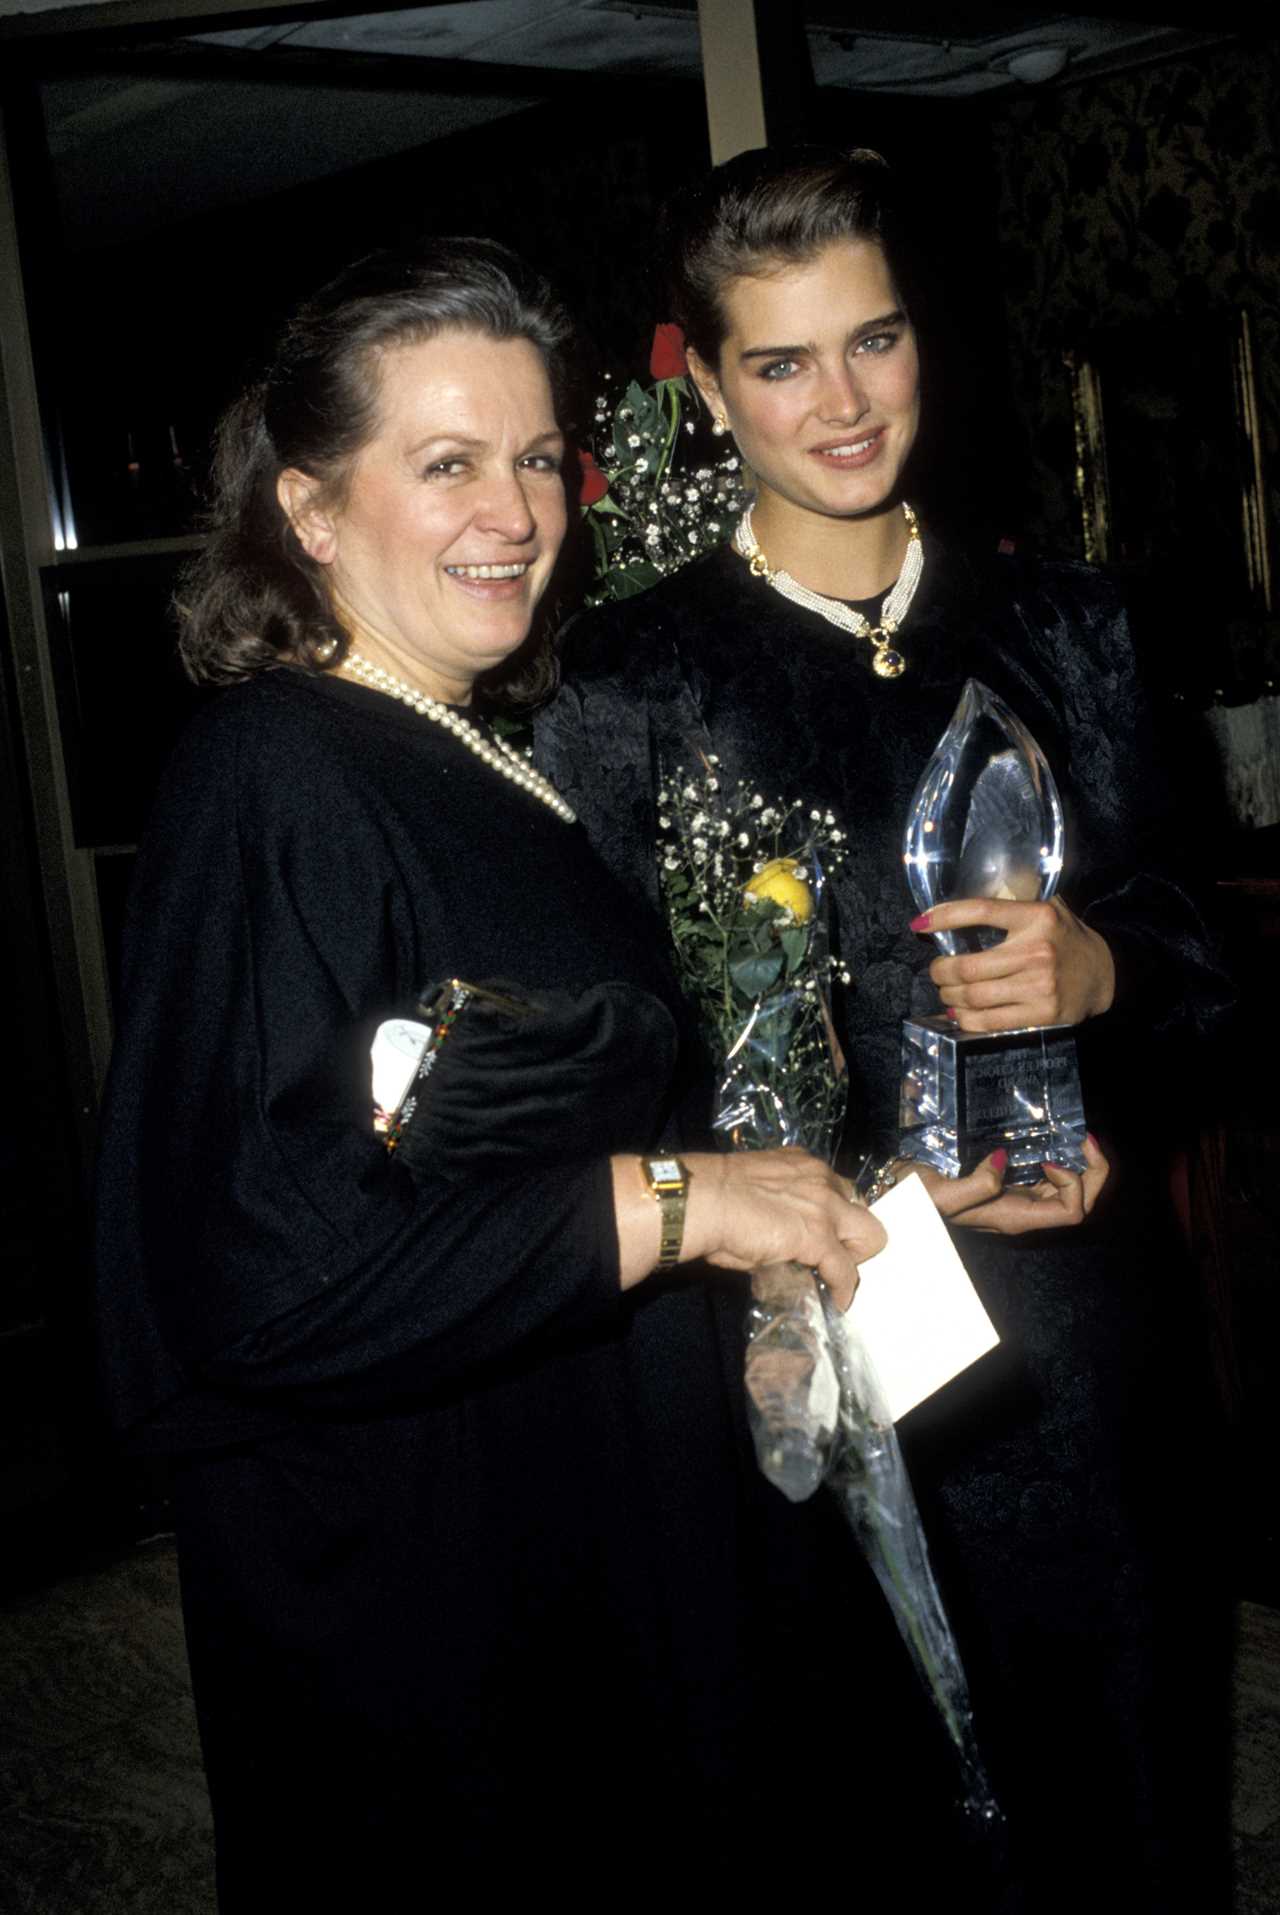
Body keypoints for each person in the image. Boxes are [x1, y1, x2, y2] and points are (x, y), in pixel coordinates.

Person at [93, 238, 901, 1907]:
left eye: (536, 458)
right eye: (447, 463)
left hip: (566, 1531)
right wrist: (681, 1202)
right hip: (429, 1608)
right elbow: (261, 1277)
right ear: (309, 513)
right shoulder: (276, 773)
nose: (517, 513)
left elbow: (479, 1131)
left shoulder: (460, 745)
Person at [536, 148, 1236, 1910]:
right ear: (704, 376)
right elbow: (602, 1070)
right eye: (782, 363)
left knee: (1129, 1803)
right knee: (867, 1820)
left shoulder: (1070, 627)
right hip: (805, 1369)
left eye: (877, 342)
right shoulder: (625, 685)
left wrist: (1110, 973)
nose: (842, 404)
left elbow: (1218, 982)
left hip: (1079, 1350)